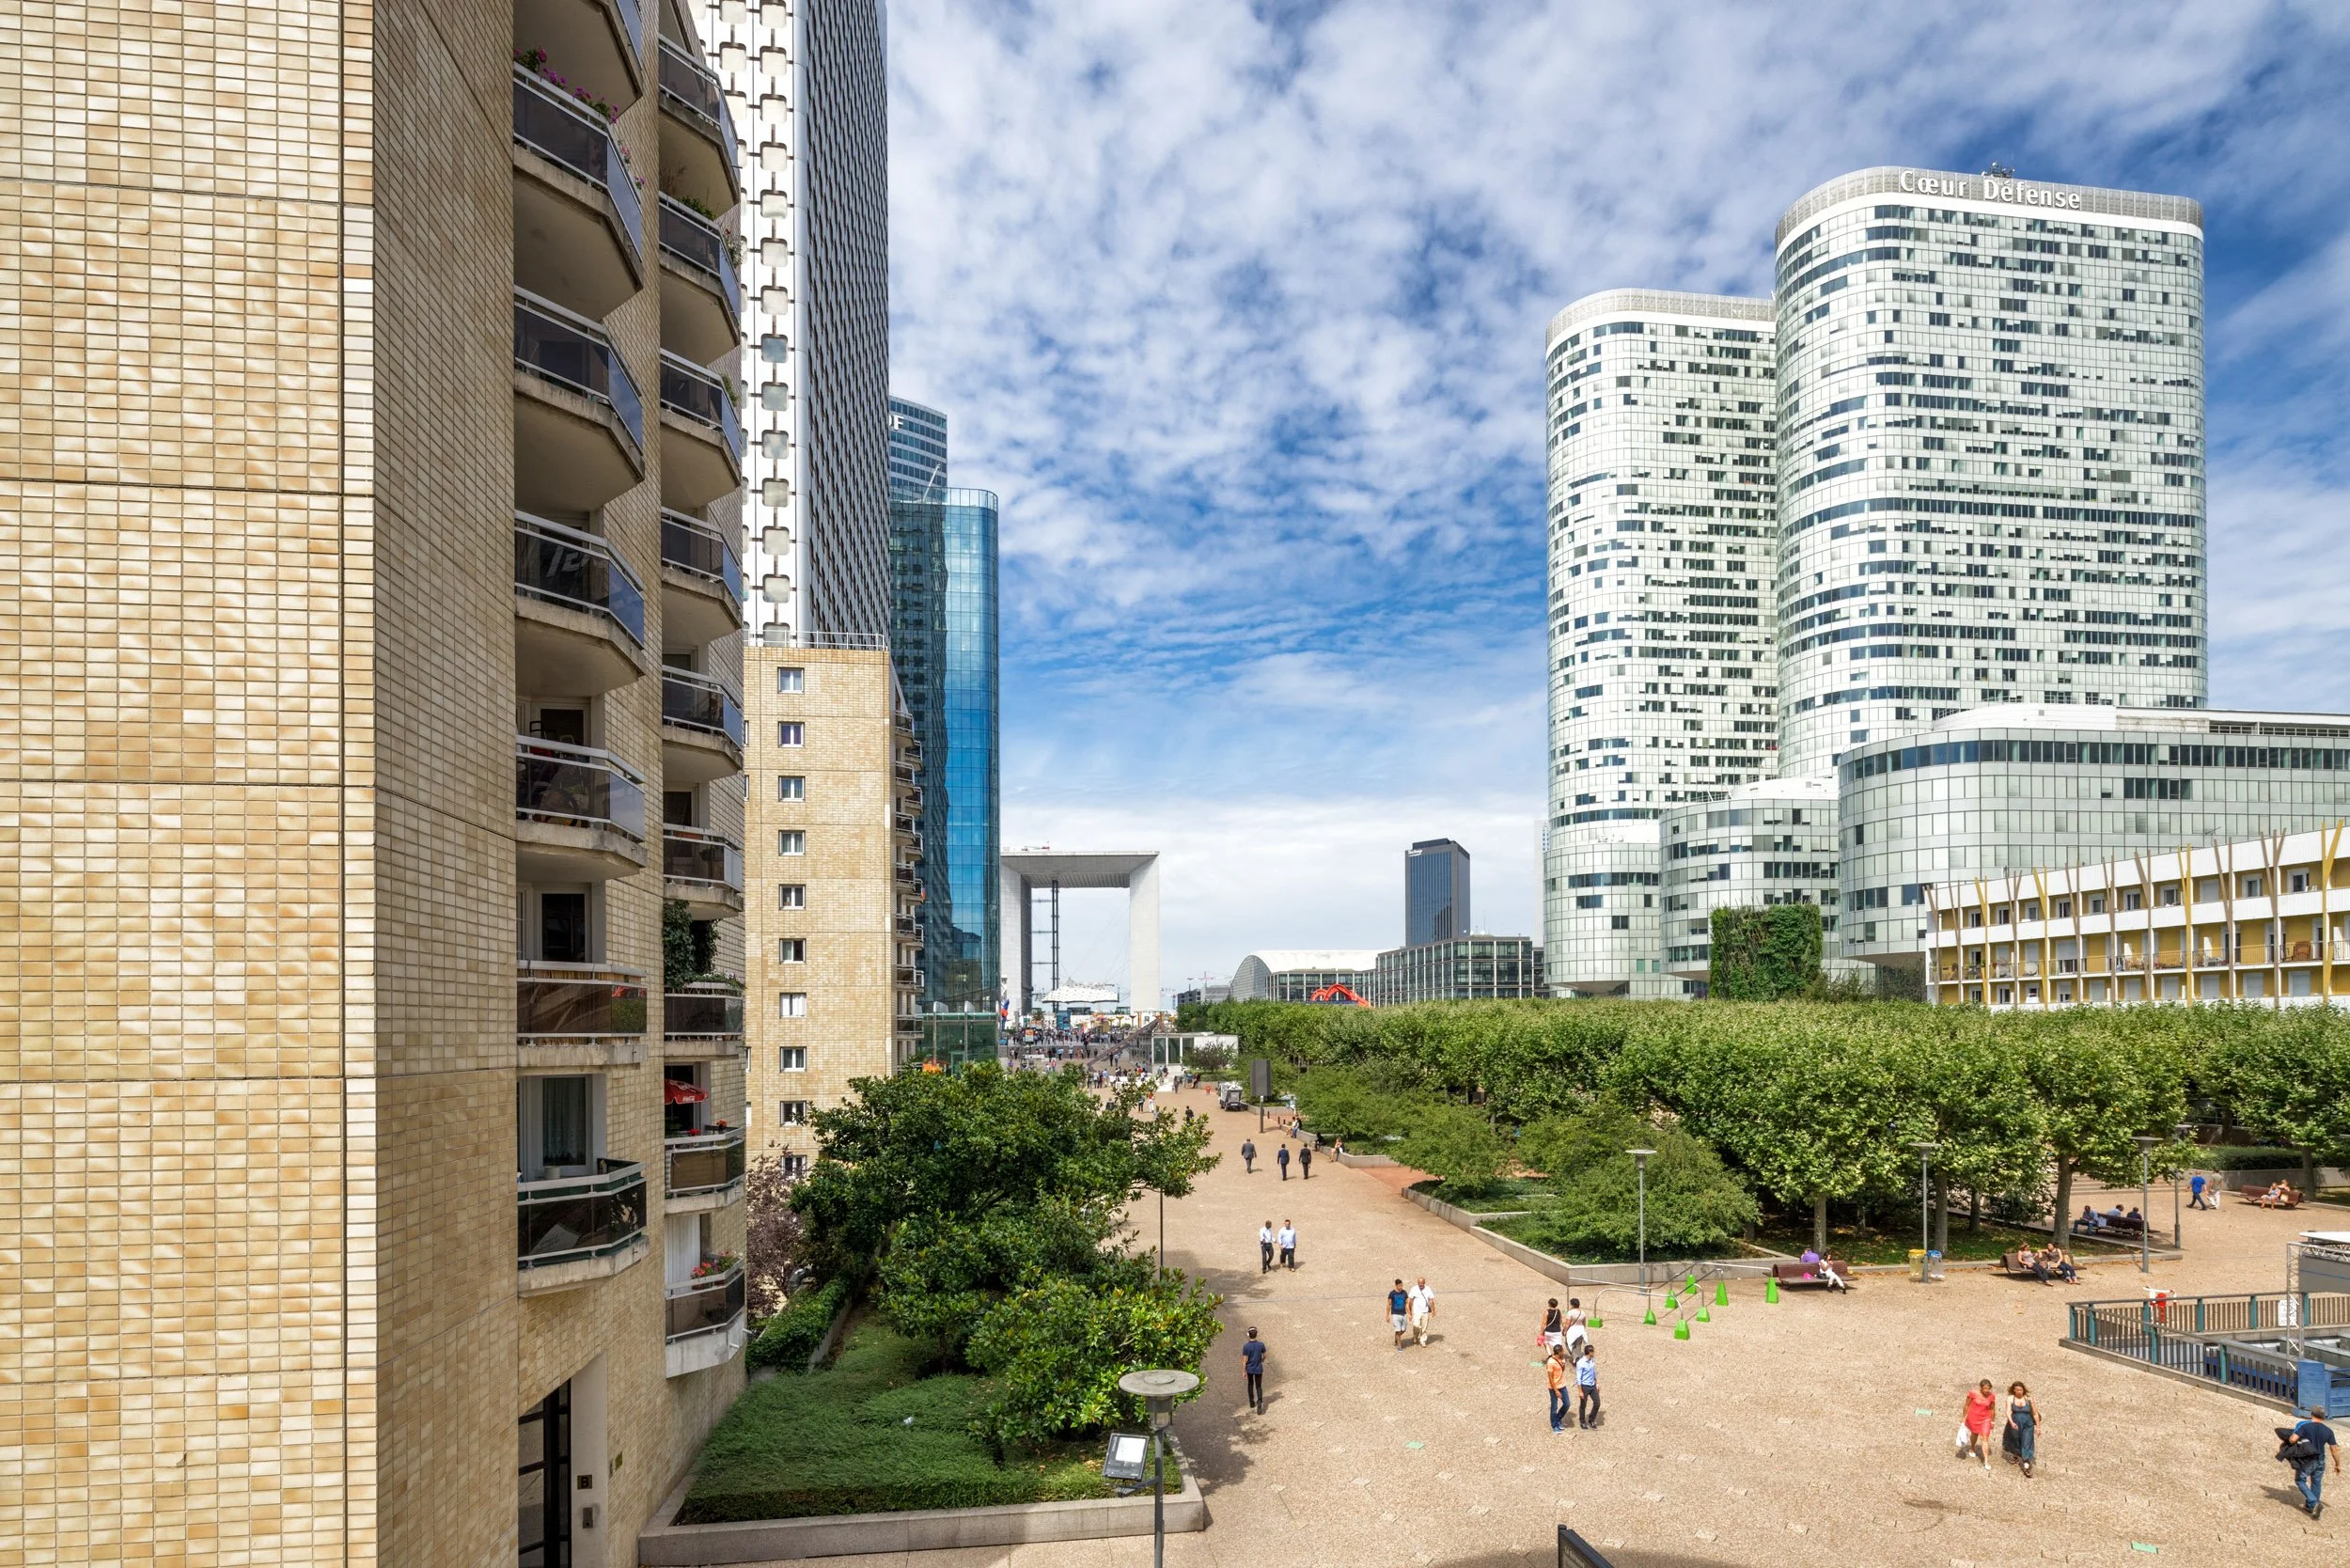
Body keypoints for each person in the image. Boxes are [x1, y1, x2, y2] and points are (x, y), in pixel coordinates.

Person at [2286, 1406, 2341, 1518]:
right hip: (2320, 1459)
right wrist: (2337, 1464)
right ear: (2324, 1417)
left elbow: (2292, 1439)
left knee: (2300, 1480)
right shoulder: (2328, 1431)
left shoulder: (2305, 1426)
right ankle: (2311, 1507)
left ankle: (2314, 1502)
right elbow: (2334, 1449)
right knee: (2316, 1483)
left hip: (2307, 1459)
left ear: (2312, 1414)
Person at [1957, 1379, 1998, 1469]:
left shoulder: (1991, 1396)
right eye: (1985, 1388)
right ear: (1981, 1388)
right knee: (1974, 1434)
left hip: (1985, 1419)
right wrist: (1963, 1417)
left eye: (1989, 1389)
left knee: (1985, 1438)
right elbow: (1967, 1405)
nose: (1987, 1390)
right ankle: (1972, 1447)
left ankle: (1986, 1461)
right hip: (1974, 1417)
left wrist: (1992, 1420)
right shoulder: (1973, 1393)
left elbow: (1992, 1409)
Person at [2002, 1382, 2040, 1479]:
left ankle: (2026, 1467)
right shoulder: (2010, 1399)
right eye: (2017, 1390)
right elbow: (2008, 1411)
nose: (2019, 1392)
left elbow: (2035, 1414)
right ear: (2014, 1390)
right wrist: (2011, 1422)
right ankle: (2016, 1455)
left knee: (2027, 1443)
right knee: (2016, 1440)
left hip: (2028, 1425)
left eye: (2021, 1390)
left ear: (2023, 1390)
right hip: (2015, 1424)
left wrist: (2038, 1427)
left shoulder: (2029, 1399)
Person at [1241, 1327, 1268, 1414]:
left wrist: (1244, 1371)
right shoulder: (1261, 1345)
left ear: (1249, 1335)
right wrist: (1262, 1360)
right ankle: (1260, 1401)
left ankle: (1252, 1402)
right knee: (1259, 1386)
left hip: (1250, 1369)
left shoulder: (1246, 1346)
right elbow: (1265, 1355)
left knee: (1250, 1384)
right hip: (1258, 1368)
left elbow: (1244, 1360)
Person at [1574, 1342, 1601, 1429]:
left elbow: (1593, 1372)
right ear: (1589, 1352)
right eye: (1593, 1352)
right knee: (1583, 1405)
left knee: (1597, 1403)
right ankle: (1582, 1421)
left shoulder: (1592, 1360)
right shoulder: (1581, 1363)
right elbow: (1578, 1377)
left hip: (1592, 1385)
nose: (1594, 1353)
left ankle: (1591, 1419)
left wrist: (1597, 1383)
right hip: (1584, 1386)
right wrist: (1580, 1390)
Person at [1545, 1344, 1570, 1434]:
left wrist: (1563, 1363)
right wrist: (1556, 1391)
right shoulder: (1551, 1362)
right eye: (1562, 1351)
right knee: (1554, 1407)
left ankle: (1558, 1418)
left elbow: (1562, 1370)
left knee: (1567, 1404)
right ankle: (1554, 1425)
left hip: (1562, 1385)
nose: (1564, 1352)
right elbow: (1550, 1378)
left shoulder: (1561, 1359)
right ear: (1559, 1352)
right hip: (1554, 1387)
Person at [1407, 1276, 1436, 1345]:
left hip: (1425, 1311)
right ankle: (1415, 1335)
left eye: (1422, 1283)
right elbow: (1410, 1300)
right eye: (1419, 1283)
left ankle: (1423, 1341)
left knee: (1424, 1327)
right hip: (1416, 1311)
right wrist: (1410, 1311)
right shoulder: (1414, 1289)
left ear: (1424, 1283)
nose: (1420, 1284)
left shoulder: (1428, 1289)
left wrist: (1433, 1310)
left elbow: (1431, 1300)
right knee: (1416, 1325)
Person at [1387, 1279, 1412, 1350]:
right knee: (1398, 1331)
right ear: (1396, 1285)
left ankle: (1396, 1338)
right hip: (1395, 1314)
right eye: (1399, 1285)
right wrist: (1387, 1315)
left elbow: (1406, 1304)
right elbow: (1389, 1304)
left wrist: (1409, 1314)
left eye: (1401, 1285)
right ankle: (1399, 1346)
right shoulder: (1392, 1294)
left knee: (1403, 1329)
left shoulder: (1404, 1293)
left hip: (1403, 1314)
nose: (1401, 1287)